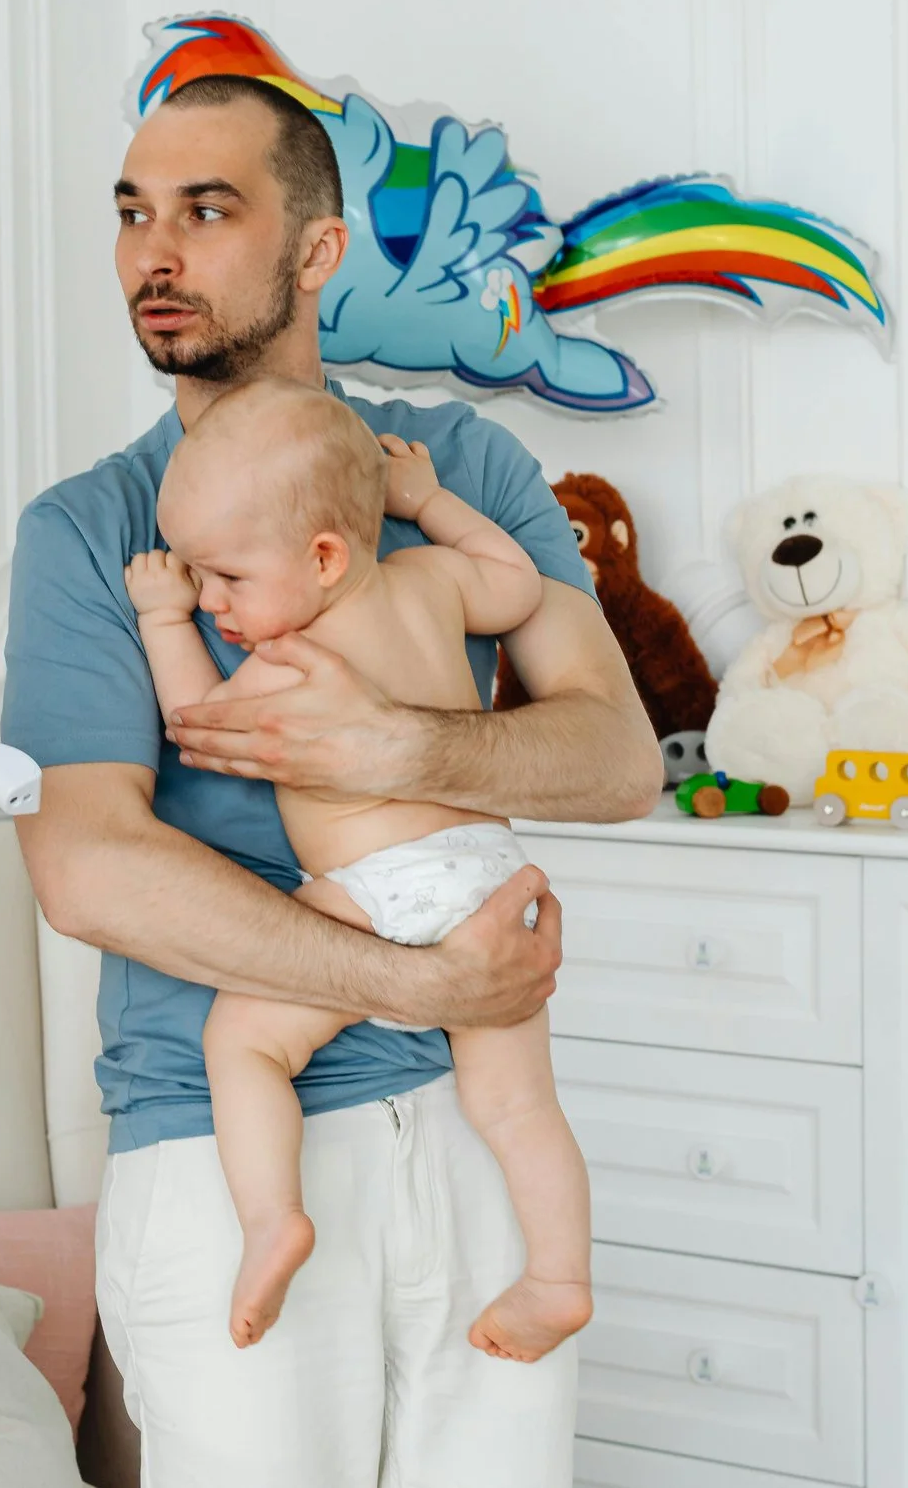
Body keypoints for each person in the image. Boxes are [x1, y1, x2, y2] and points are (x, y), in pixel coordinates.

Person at [5, 71, 662, 1486]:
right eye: (130, 214)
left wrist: (401, 746)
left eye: (206, 208)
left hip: (473, 1129)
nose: (153, 252)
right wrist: (420, 980)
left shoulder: (454, 463)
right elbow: (85, 865)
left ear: (317, 250)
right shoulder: (95, 530)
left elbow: (617, 758)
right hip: (230, 1153)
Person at [125, 381, 591, 1362]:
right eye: (198, 583)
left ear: (323, 557)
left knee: (244, 1039)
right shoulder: (431, 578)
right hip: (493, 873)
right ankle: (557, 1276)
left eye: (224, 578)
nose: (212, 599)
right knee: (516, 1103)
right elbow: (517, 583)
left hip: (385, 887)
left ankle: (271, 1218)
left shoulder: (293, 659)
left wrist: (166, 621)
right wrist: (427, 503)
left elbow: (199, 731)